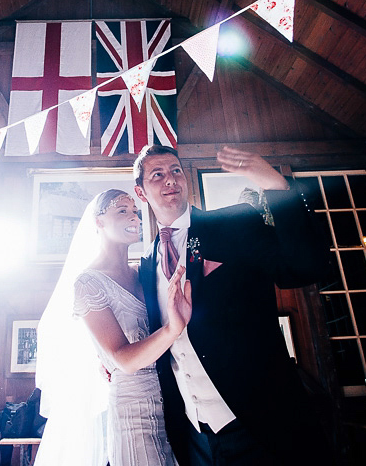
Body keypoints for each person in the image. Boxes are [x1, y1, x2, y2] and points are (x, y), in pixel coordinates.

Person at [133, 144, 334, 466]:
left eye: (175, 171)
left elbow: (307, 267)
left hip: (261, 421)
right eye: (157, 175)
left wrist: (277, 187)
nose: (170, 179)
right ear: (141, 193)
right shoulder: (144, 264)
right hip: (192, 434)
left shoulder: (233, 225)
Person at [34, 189, 193, 466]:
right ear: (98, 222)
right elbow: (123, 360)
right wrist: (173, 328)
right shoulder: (88, 283)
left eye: (134, 211)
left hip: (177, 401)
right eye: (122, 210)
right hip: (134, 412)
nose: (134, 216)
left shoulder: (144, 271)